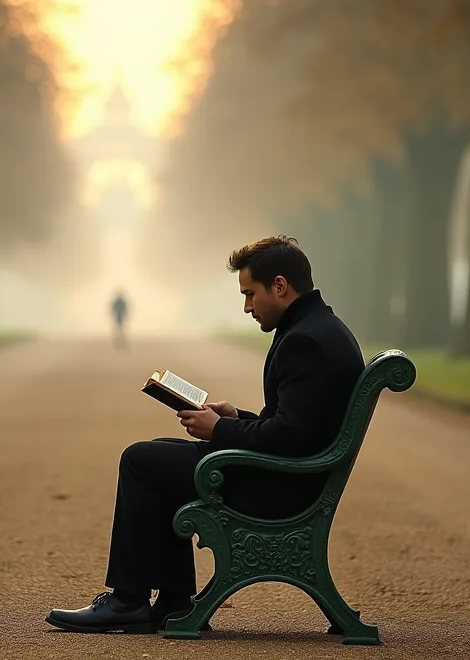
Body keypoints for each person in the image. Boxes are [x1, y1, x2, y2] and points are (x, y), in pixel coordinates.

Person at [46, 235, 366, 634]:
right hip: (292, 473)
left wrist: (222, 430)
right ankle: (174, 598)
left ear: (280, 286)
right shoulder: (318, 327)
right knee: (158, 452)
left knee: (140, 459)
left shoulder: (305, 340)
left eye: (250, 294)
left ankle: (129, 601)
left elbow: (291, 439)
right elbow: (294, 426)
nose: (247, 306)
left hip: (285, 487)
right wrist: (235, 417)